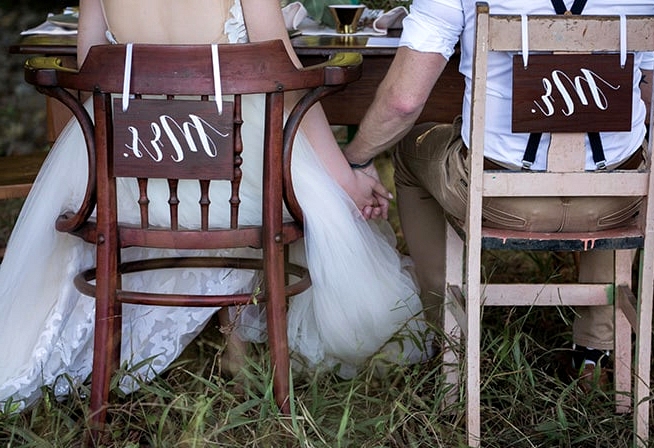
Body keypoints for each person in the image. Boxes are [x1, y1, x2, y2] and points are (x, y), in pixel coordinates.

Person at [0, 0, 432, 411]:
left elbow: (91, 67)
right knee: (284, 176)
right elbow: (287, 76)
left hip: (127, 175)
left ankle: (228, 340)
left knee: (228, 173)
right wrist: (346, 176)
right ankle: (239, 345)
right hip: (233, 172)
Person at [342, 0, 654, 390]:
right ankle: (594, 355)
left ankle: (446, 339)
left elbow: (404, 101)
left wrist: (356, 159)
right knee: (622, 163)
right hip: (616, 203)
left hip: (499, 200)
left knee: (411, 150)